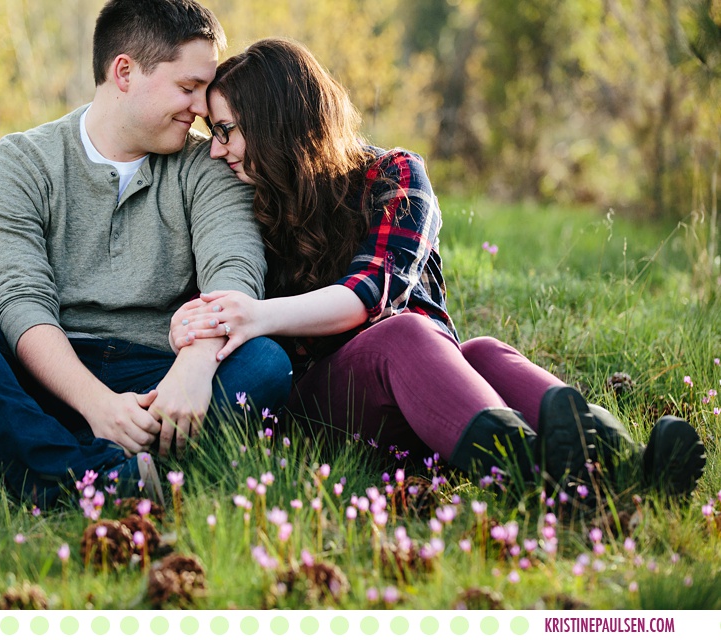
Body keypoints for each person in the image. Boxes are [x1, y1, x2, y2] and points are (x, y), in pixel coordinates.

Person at [169, 37, 706, 497]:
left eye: (226, 131)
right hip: (324, 408)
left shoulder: (392, 174)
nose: (217, 151)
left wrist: (259, 315)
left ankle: (627, 466)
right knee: (406, 336)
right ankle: (537, 477)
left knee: (483, 352)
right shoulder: (245, 204)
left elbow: (372, 289)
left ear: (275, 124)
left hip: (423, 386)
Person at [0, 0, 293, 506]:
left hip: (158, 384)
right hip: (41, 377)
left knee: (265, 362)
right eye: (188, 87)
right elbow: (20, 306)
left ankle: (26, 475)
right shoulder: (17, 164)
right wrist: (98, 405)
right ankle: (106, 475)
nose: (203, 108)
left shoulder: (208, 166)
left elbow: (234, 270)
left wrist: (196, 364)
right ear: (124, 72)